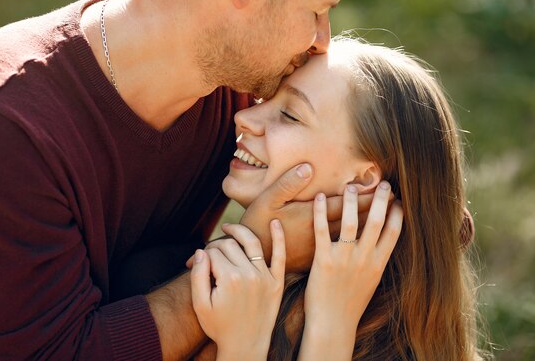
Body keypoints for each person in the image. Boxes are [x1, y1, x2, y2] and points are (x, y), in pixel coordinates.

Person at [0, 0, 370, 360]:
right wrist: (255, 251)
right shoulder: (3, 119)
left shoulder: (240, 97)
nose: (322, 40)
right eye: (317, 10)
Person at [189, 37, 484, 361]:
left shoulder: (394, 346)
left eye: (290, 115)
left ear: (362, 179)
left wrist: (245, 348)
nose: (245, 117)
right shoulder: (211, 275)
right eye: (265, 98)